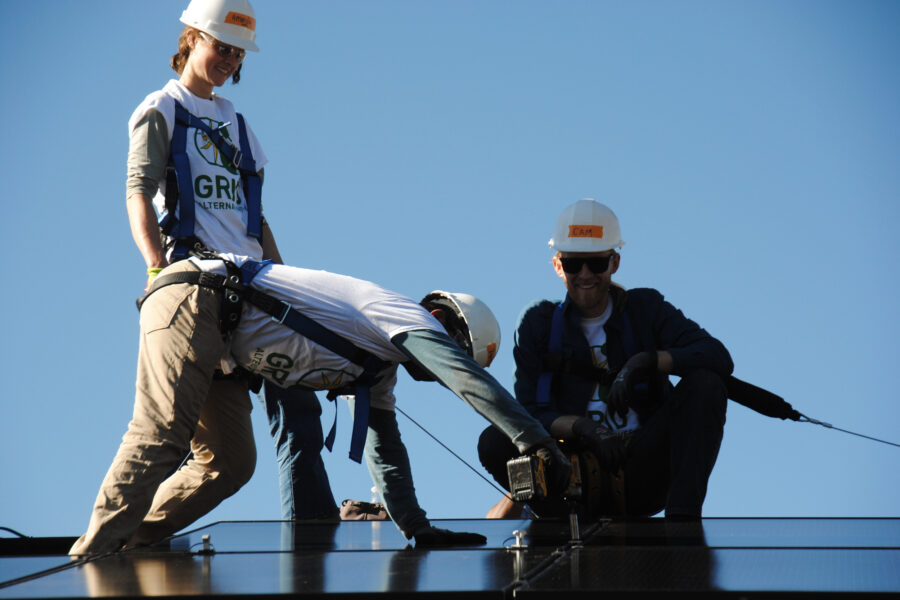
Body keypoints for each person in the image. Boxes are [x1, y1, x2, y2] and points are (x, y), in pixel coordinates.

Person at [69, 256, 571, 555]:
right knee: (163, 433)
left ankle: (131, 543)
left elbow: (383, 449)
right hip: (199, 299)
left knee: (230, 463)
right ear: (444, 323)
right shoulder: (400, 314)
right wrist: (537, 441)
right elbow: (467, 380)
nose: (441, 365)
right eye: (451, 347)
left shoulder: (376, 367)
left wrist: (418, 529)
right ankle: (87, 561)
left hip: (220, 343)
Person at [125, 0, 338, 522]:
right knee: (168, 435)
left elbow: (254, 221)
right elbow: (138, 191)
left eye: (238, 54)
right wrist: (157, 270)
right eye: (222, 47)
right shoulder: (162, 108)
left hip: (249, 295)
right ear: (191, 38)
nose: (229, 60)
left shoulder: (238, 125)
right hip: (196, 290)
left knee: (245, 451)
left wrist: (288, 290)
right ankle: (110, 541)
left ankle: (140, 538)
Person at [478, 198, 733, 520]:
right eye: (574, 264)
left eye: (596, 263)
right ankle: (559, 526)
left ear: (614, 263)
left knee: (706, 384)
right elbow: (528, 412)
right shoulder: (538, 323)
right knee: (495, 440)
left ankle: (682, 524)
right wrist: (585, 428)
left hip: (643, 468)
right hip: (571, 474)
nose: (585, 275)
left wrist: (647, 361)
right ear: (558, 266)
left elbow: (716, 356)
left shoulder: (645, 310)